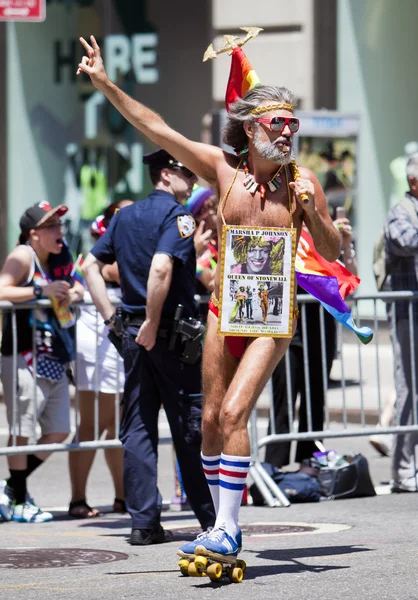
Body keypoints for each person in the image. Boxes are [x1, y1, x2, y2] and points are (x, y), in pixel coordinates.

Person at [76, 35, 341, 557]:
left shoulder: (303, 181)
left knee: (236, 412)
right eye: (277, 123)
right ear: (251, 127)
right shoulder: (223, 170)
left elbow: (330, 251)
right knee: (210, 421)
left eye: (293, 123)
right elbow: (158, 129)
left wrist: (313, 213)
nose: (287, 132)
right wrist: (106, 84)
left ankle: (227, 528)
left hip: (271, 313)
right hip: (223, 308)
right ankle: (217, 523)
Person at [80, 146, 216, 545]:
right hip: (168, 334)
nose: (191, 183)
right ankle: (211, 522)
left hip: (134, 335)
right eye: (186, 175)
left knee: (138, 427)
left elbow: (88, 266)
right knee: (189, 427)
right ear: (166, 175)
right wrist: (154, 323)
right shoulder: (179, 217)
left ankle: (143, 524)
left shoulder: (123, 217)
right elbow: (161, 266)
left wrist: (111, 319)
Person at [0, 202, 84, 523]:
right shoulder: (23, 255)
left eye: (60, 225)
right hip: (25, 355)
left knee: (60, 430)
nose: (58, 232)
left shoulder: (61, 256)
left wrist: (74, 293)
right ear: (33, 234)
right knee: (22, 428)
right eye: (51, 226)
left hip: (55, 354)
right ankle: (19, 499)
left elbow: (77, 284)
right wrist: (40, 289)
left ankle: (11, 488)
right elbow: (2, 289)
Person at [265, 215, 357, 467]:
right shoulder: (285, 229)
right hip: (289, 327)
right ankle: (274, 463)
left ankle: (310, 460)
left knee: (315, 393)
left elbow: (350, 280)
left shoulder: (326, 237)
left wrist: (344, 245)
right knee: (284, 392)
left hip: (320, 326)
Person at [68, 200, 132, 518]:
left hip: (116, 345)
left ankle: (121, 497)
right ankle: (78, 498)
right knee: (93, 424)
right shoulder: (104, 253)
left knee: (116, 425)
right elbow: (122, 272)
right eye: (124, 213)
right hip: (95, 344)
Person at [384, 152, 418, 492]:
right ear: (413, 182)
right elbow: (406, 241)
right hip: (409, 314)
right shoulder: (400, 212)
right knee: (408, 389)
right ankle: (403, 470)